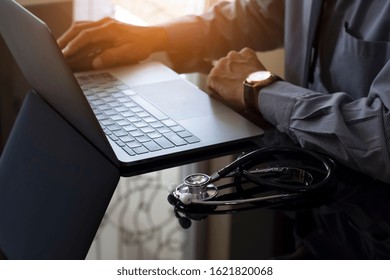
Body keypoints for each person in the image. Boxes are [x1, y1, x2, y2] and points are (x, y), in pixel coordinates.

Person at [58, 0, 390, 258]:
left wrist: (258, 88)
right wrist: (155, 37)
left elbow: (383, 134)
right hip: (314, 211)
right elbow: (261, 16)